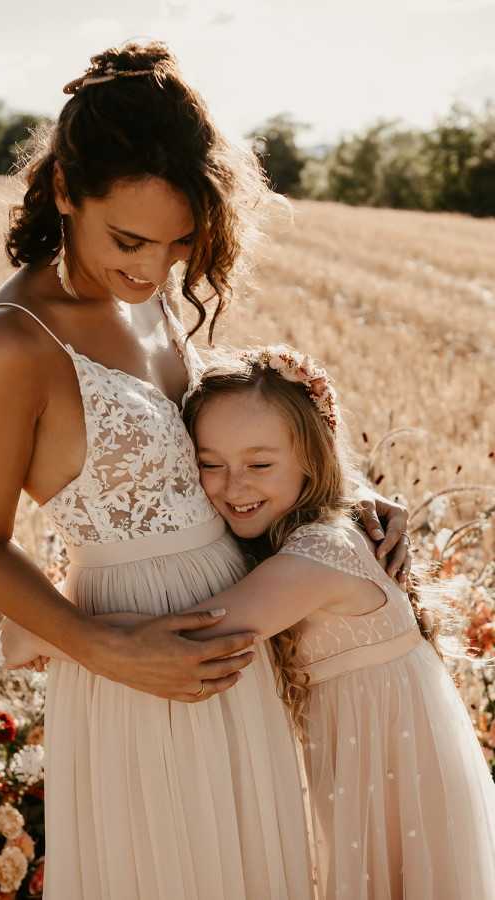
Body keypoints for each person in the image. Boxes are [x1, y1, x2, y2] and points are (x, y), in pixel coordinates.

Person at [0, 42, 411, 899]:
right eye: (128, 239)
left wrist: (334, 498)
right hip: (131, 665)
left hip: (233, 648)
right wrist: (106, 650)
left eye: (179, 243)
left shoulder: (149, 295)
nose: (153, 268)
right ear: (61, 191)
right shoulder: (9, 343)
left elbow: (209, 446)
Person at [180, 345, 495, 899]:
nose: (234, 486)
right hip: (366, 775)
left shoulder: (323, 552)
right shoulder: (310, 533)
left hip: (397, 789)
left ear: (312, 457)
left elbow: (197, 632)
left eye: (259, 464)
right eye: (210, 464)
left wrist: (51, 628)